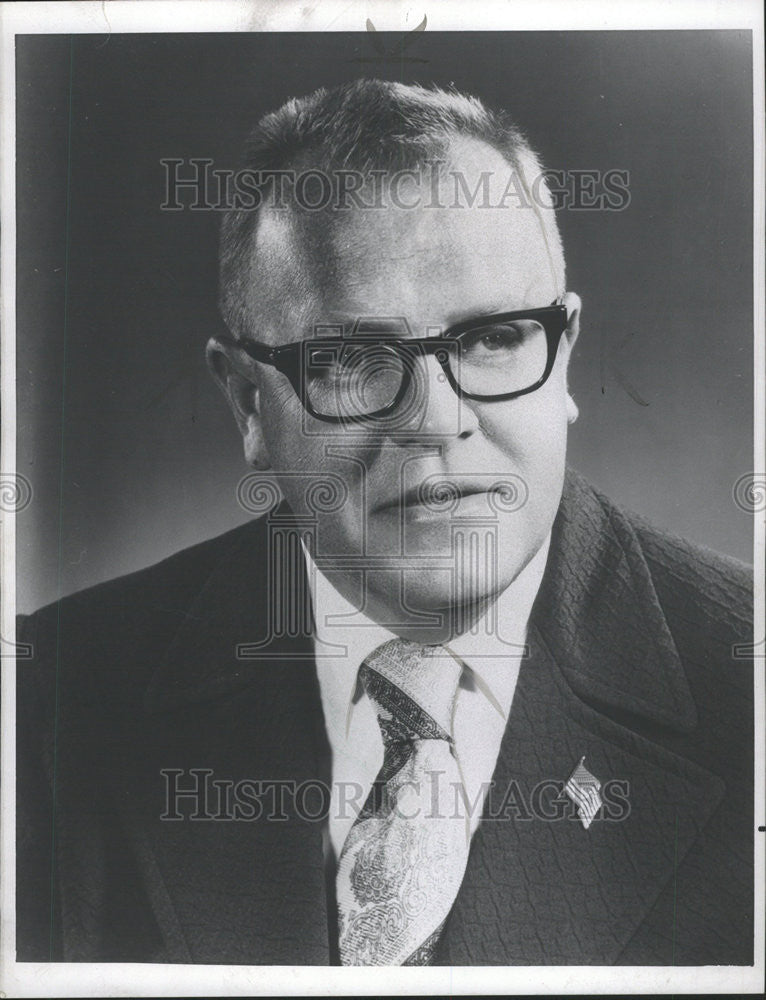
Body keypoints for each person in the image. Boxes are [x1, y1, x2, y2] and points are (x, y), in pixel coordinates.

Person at [17, 79, 753, 966]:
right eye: (356, 359)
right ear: (250, 402)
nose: (438, 420)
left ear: (564, 359)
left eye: (492, 339)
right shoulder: (49, 708)